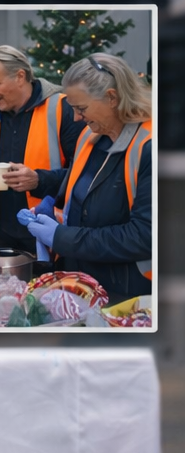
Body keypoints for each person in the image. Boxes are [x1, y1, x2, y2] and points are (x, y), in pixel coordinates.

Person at [22, 54, 152, 302]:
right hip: (81, 283)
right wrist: (51, 204)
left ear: (112, 98)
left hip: (126, 296)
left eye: (81, 108)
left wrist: (61, 237)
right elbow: (78, 185)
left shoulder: (149, 147)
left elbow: (144, 237)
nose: (76, 118)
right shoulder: (90, 136)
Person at [0, 45, 82, 255]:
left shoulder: (63, 109)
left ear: (20, 76)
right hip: (1, 236)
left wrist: (38, 180)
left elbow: (83, 175)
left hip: (52, 235)